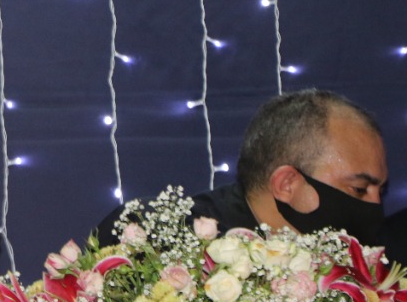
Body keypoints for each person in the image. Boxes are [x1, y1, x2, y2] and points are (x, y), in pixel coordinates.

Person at [95, 88, 387, 244]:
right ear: (287, 183)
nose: (375, 206)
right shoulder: (154, 235)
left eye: (381, 191)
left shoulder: (369, 265)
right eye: (359, 189)